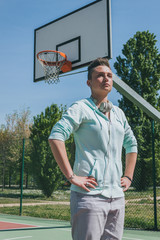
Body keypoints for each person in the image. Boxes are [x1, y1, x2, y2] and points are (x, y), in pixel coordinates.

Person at [48, 58, 137, 240]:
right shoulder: (81, 108)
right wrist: (71, 176)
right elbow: (56, 136)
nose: (106, 79)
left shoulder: (119, 113)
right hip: (90, 197)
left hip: (117, 198)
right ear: (89, 82)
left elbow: (131, 144)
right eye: (100, 76)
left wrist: (128, 176)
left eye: (109, 75)